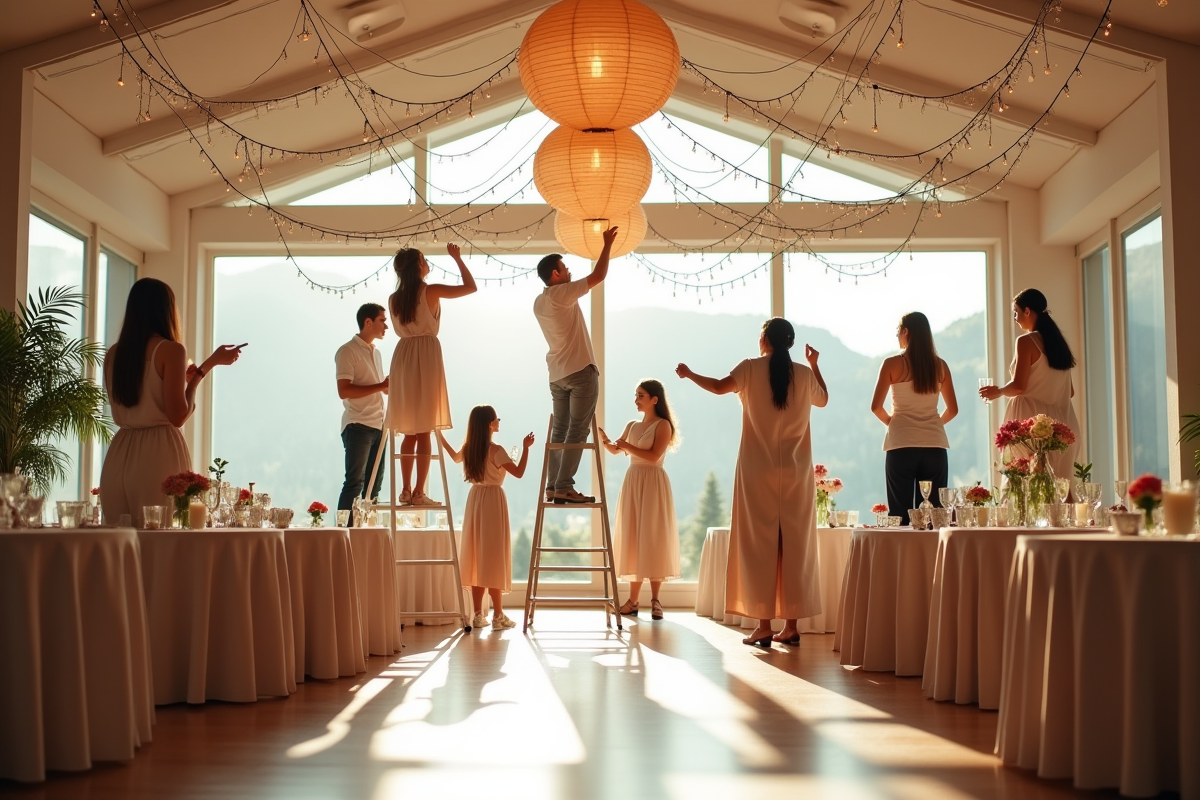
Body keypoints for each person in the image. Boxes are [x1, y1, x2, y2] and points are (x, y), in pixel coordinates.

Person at [676, 318, 828, 647]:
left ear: (764, 339)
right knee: (795, 547)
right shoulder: (803, 373)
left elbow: (718, 386)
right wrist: (815, 366)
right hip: (797, 471)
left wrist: (689, 374)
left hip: (757, 470)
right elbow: (823, 400)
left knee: (759, 545)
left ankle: (763, 625)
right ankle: (791, 625)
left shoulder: (749, 368)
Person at [99, 278, 241, 524]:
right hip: (158, 451)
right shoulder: (171, 350)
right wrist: (197, 379)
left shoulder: (114, 353)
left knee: (118, 541)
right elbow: (177, 416)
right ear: (166, 310)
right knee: (161, 539)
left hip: (119, 452)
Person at [386, 243, 476, 506]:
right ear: (417, 266)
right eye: (424, 260)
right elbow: (470, 287)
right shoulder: (430, 290)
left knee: (409, 431)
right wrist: (458, 259)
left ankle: (405, 490)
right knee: (424, 429)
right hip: (425, 356)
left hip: (403, 357)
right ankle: (418, 492)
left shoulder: (394, 299)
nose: (428, 263)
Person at [533, 226, 618, 504]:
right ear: (555, 275)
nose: (568, 272)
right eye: (565, 268)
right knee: (578, 429)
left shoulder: (540, 302)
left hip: (556, 375)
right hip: (580, 371)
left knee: (560, 430)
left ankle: (553, 486)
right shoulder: (562, 294)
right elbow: (599, 276)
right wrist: (606, 245)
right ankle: (564, 486)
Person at [437, 408, 534, 630]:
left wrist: (439, 436)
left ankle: (479, 614)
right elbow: (518, 472)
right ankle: (498, 615)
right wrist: (526, 449)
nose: (499, 420)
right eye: (496, 418)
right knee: (493, 556)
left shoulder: (470, 449)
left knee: (477, 555)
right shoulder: (496, 451)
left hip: (475, 500)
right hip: (493, 501)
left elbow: (453, 456)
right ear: (489, 424)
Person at [599, 380, 681, 621]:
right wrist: (605, 440)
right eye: (636, 395)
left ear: (655, 399)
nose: (636, 400)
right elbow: (617, 450)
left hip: (653, 483)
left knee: (653, 538)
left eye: (641, 395)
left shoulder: (663, 425)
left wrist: (626, 446)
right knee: (634, 537)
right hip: (634, 481)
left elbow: (655, 456)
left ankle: (656, 601)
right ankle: (632, 601)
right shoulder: (632, 425)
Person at [978, 288, 1080, 477]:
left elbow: (1019, 386)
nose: (1015, 318)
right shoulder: (1059, 344)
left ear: (1027, 311)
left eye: (1016, 312)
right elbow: (1070, 392)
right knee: (1061, 490)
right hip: (1063, 423)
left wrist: (998, 391)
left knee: (1025, 485)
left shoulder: (1026, 341)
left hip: (1031, 423)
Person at [870, 312, 958, 524]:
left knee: (899, 515)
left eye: (898, 332)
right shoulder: (940, 366)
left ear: (906, 331)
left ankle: (901, 557)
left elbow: (876, 407)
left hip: (901, 444)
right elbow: (952, 409)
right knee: (931, 517)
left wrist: (894, 423)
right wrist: (933, 423)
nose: (897, 337)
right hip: (934, 446)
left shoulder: (891, 364)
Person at [335, 303, 389, 515]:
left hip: (379, 426)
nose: (386, 326)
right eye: (382, 321)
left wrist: (386, 386)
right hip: (358, 425)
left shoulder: (376, 353)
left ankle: (367, 532)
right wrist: (381, 386)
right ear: (368, 322)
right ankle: (344, 534)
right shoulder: (347, 351)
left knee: (374, 486)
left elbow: (377, 388)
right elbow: (344, 390)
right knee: (354, 483)